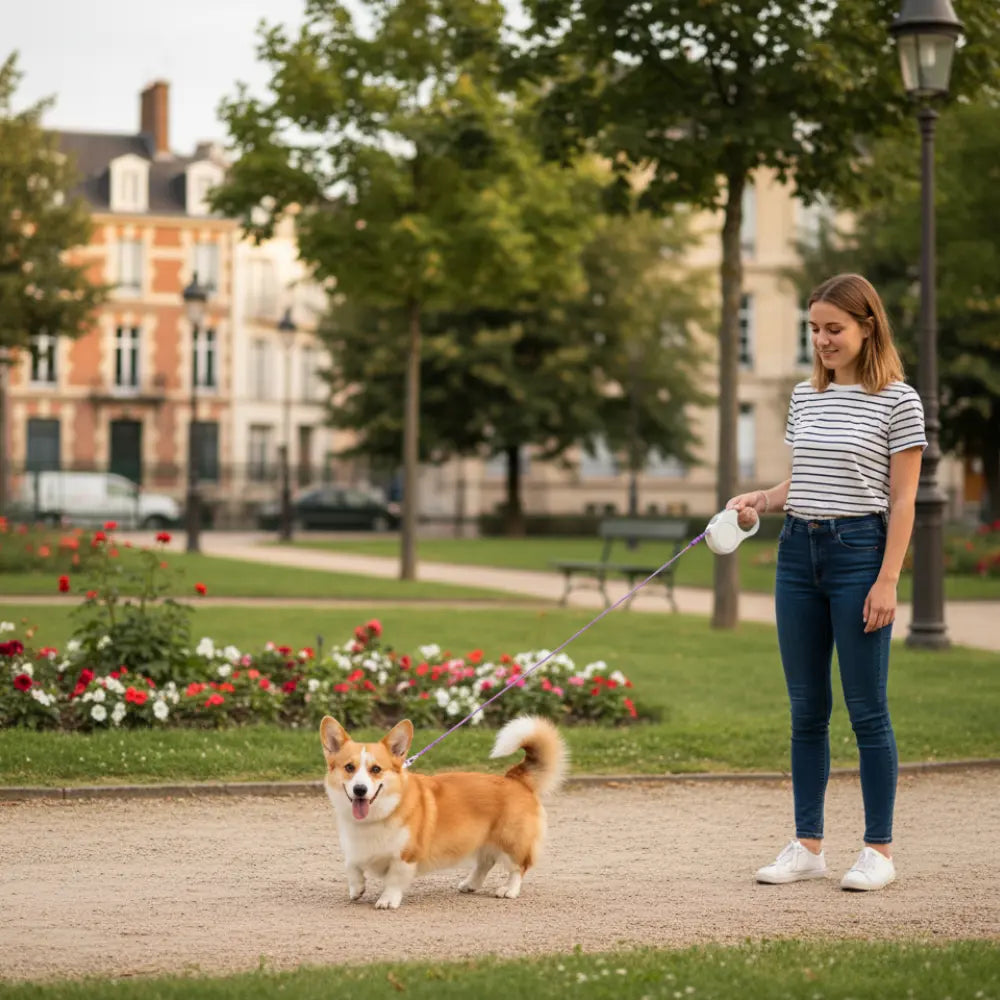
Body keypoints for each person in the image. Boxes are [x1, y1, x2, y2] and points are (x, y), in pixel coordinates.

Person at [727, 273, 926, 892]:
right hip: (797, 556)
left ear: (868, 326)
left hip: (859, 555)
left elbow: (903, 501)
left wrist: (887, 579)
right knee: (806, 710)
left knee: (867, 711)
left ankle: (878, 851)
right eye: (813, 329)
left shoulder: (899, 400)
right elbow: (804, 481)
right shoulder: (805, 398)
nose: (822, 341)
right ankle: (808, 844)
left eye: (833, 329)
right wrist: (760, 498)